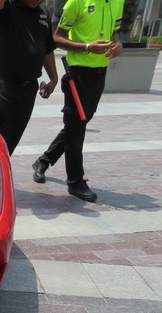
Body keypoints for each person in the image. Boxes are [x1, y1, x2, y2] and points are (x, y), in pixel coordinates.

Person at [32, 0, 124, 202]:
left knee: (78, 124)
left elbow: (114, 33)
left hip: (100, 72)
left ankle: (44, 160)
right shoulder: (76, 3)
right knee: (77, 128)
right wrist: (88, 47)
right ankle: (75, 181)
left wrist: (118, 44)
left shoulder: (118, 2)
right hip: (78, 72)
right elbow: (56, 38)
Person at [0, 0, 58, 156]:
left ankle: (0, 173)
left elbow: (47, 47)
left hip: (29, 87)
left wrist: (54, 77)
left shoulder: (43, 11)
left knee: (12, 140)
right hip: (4, 85)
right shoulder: (7, 6)